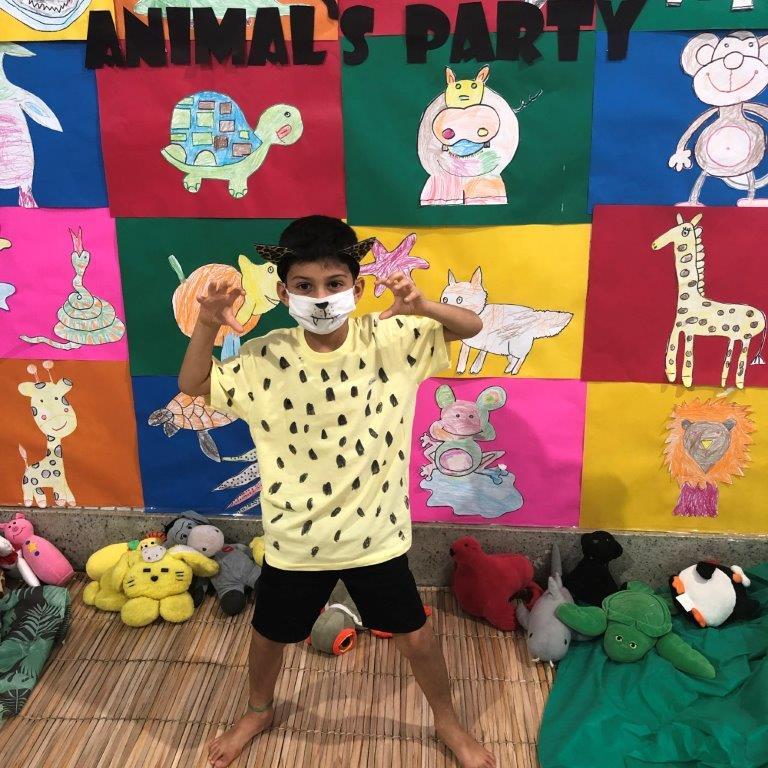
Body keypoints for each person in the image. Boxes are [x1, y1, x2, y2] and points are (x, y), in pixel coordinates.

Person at [178, 215, 493, 768]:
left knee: (416, 636)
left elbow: (471, 325)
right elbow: (194, 383)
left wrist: (424, 306)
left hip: (377, 535)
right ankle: (258, 709)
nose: (320, 297)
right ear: (283, 293)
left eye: (333, 283)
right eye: (304, 285)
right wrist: (207, 324)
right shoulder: (265, 355)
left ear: (357, 287)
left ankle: (447, 721)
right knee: (269, 635)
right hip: (296, 539)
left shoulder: (391, 338)